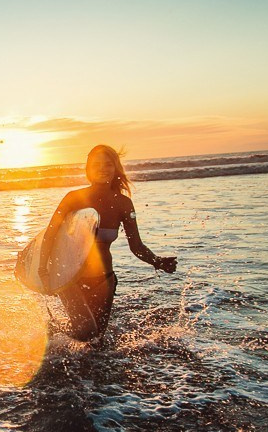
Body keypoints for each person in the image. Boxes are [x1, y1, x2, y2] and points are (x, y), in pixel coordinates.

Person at [38, 144, 177, 341]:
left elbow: (136, 246)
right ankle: (55, 332)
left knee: (97, 341)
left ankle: (75, 356)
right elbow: (51, 235)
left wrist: (157, 261)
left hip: (104, 280)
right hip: (70, 278)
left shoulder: (123, 203)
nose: (102, 168)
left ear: (116, 168)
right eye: (96, 164)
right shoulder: (73, 198)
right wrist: (44, 270)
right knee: (86, 331)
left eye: (108, 164)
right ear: (88, 169)